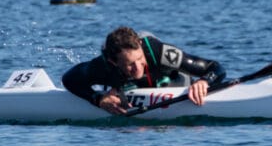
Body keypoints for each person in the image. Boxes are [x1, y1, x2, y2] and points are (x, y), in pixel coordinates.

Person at [62, 26, 226, 115]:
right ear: (113, 61)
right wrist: (97, 99)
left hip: (172, 81)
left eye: (140, 59)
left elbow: (215, 67)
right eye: (130, 64)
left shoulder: (160, 52)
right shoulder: (104, 66)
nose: (138, 67)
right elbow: (69, 79)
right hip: (127, 87)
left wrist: (205, 81)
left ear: (140, 47)